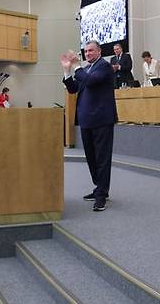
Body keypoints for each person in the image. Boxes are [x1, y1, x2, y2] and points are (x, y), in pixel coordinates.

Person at [61, 40, 117, 212]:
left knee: (102, 158)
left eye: (91, 50)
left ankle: (101, 195)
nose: (88, 53)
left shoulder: (104, 66)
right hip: (86, 120)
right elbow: (72, 89)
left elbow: (91, 81)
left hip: (101, 120)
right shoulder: (84, 70)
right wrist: (67, 70)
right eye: (86, 51)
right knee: (91, 158)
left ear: (99, 51)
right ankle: (99, 188)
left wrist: (77, 66)